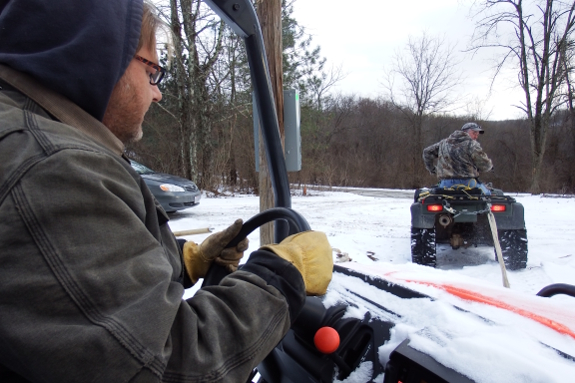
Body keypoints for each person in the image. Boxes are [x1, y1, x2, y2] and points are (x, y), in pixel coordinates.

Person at [0, 1, 333, 382]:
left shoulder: (30, 136)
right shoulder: (51, 166)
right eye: (153, 72)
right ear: (100, 57)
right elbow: (166, 363)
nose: (157, 95)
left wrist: (184, 260)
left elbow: (69, 287)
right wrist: (281, 275)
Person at [423, 122, 493, 195]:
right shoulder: (472, 144)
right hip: (468, 184)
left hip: (445, 184)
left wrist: (432, 170)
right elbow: (486, 165)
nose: (476, 137)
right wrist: (490, 167)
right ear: (465, 132)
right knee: (488, 194)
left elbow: (427, 152)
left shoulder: (443, 143)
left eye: (477, 134)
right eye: (474, 133)